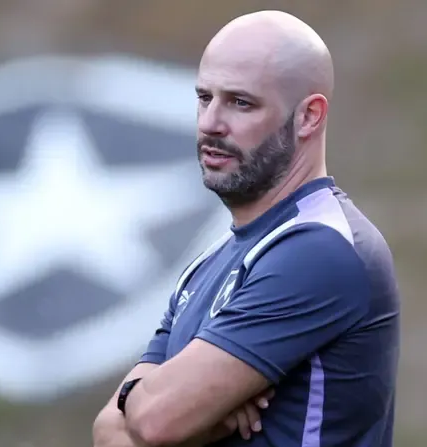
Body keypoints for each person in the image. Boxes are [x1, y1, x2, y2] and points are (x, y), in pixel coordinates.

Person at [92, 9, 400, 447]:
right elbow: (107, 433)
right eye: (205, 98)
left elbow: (156, 422)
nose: (210, 123)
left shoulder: (319, 250)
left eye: (240, 102)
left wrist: (171, 411)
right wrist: (202, 417)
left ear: (309, 116)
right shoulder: (208, 264)